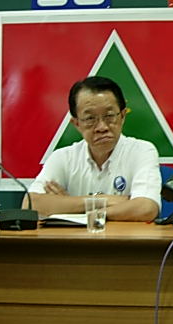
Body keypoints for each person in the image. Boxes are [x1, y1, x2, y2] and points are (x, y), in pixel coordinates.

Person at [23, 76, 161, 221]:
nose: (102, 127)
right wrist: (102, 201)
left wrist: (71, 208)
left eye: (109, 116)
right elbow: (30, 205)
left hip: (123, 242)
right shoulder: (62, 157)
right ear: (76, 123)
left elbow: (146, 208)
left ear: (122, 116)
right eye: (90, 119)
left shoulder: (142, 151)